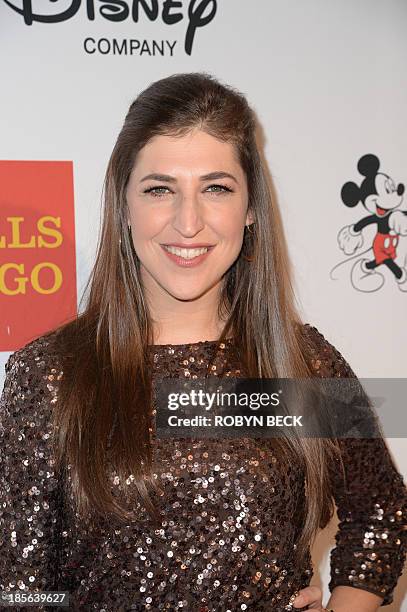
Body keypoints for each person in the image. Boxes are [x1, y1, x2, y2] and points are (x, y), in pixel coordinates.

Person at [0, 72, 406, 612]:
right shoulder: (51, 373)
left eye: (216, 188)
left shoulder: (301, 364)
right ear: (123, 205)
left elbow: (380, 509)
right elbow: (21, 587)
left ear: (251, 208)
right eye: (159, 189)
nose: (188, 222)